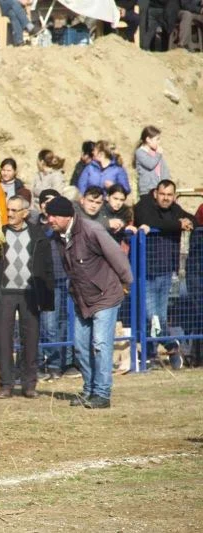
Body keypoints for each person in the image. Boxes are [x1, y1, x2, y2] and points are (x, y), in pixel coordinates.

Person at [46, 195, 133, 409]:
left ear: (67, 217)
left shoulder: (92, 230)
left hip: (106, 294)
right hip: (82, 298)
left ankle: (102, 394)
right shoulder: (58, 236)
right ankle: (89, 390)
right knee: (80, 347)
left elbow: (117, 256)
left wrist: (126, 282)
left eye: (54, 216)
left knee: (101, 344)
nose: (50, 219)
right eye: (49, 215)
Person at [0, 195, 54, 399]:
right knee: (2, 341)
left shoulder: (39, 235)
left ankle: (29, 385)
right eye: (8, 209)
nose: (9, 213)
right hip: (3, 294)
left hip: (30, 295)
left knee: (31, 340)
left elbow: (47, 268)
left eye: (14, 210)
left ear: (25, 213)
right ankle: (6, 384)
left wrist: (47, 298)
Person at [133, 179, 197, 363]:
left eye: (170, 195)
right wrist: (178, 225)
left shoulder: (174, 209)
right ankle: (171, 345)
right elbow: (148, 221)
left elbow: (192, 219)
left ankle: (151, 354)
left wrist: (185, 221)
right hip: (145, 272)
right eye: (163, 194)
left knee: (159, 316)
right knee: (150, 315)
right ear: (155, 193)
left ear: (174, 196)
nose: (166, 198)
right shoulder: (144, 205)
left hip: (166, 272)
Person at [33, 189, 76, 380]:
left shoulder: (61, 227)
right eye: (45, 202)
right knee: (48, 324)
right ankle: (51, 363)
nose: (48, 206)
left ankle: (62, 363)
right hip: (44, 281)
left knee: (63, 324)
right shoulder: (35, 225)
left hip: (64, 277)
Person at [133, 125, 171, 197]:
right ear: (148, 139)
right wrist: (158, 154)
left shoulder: (156, 153)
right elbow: (150, 164)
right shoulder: (140, 152)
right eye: (157, 139)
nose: (159, 142)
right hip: (147, 191)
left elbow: (164, 169)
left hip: (159, 190)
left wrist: (166, 186)